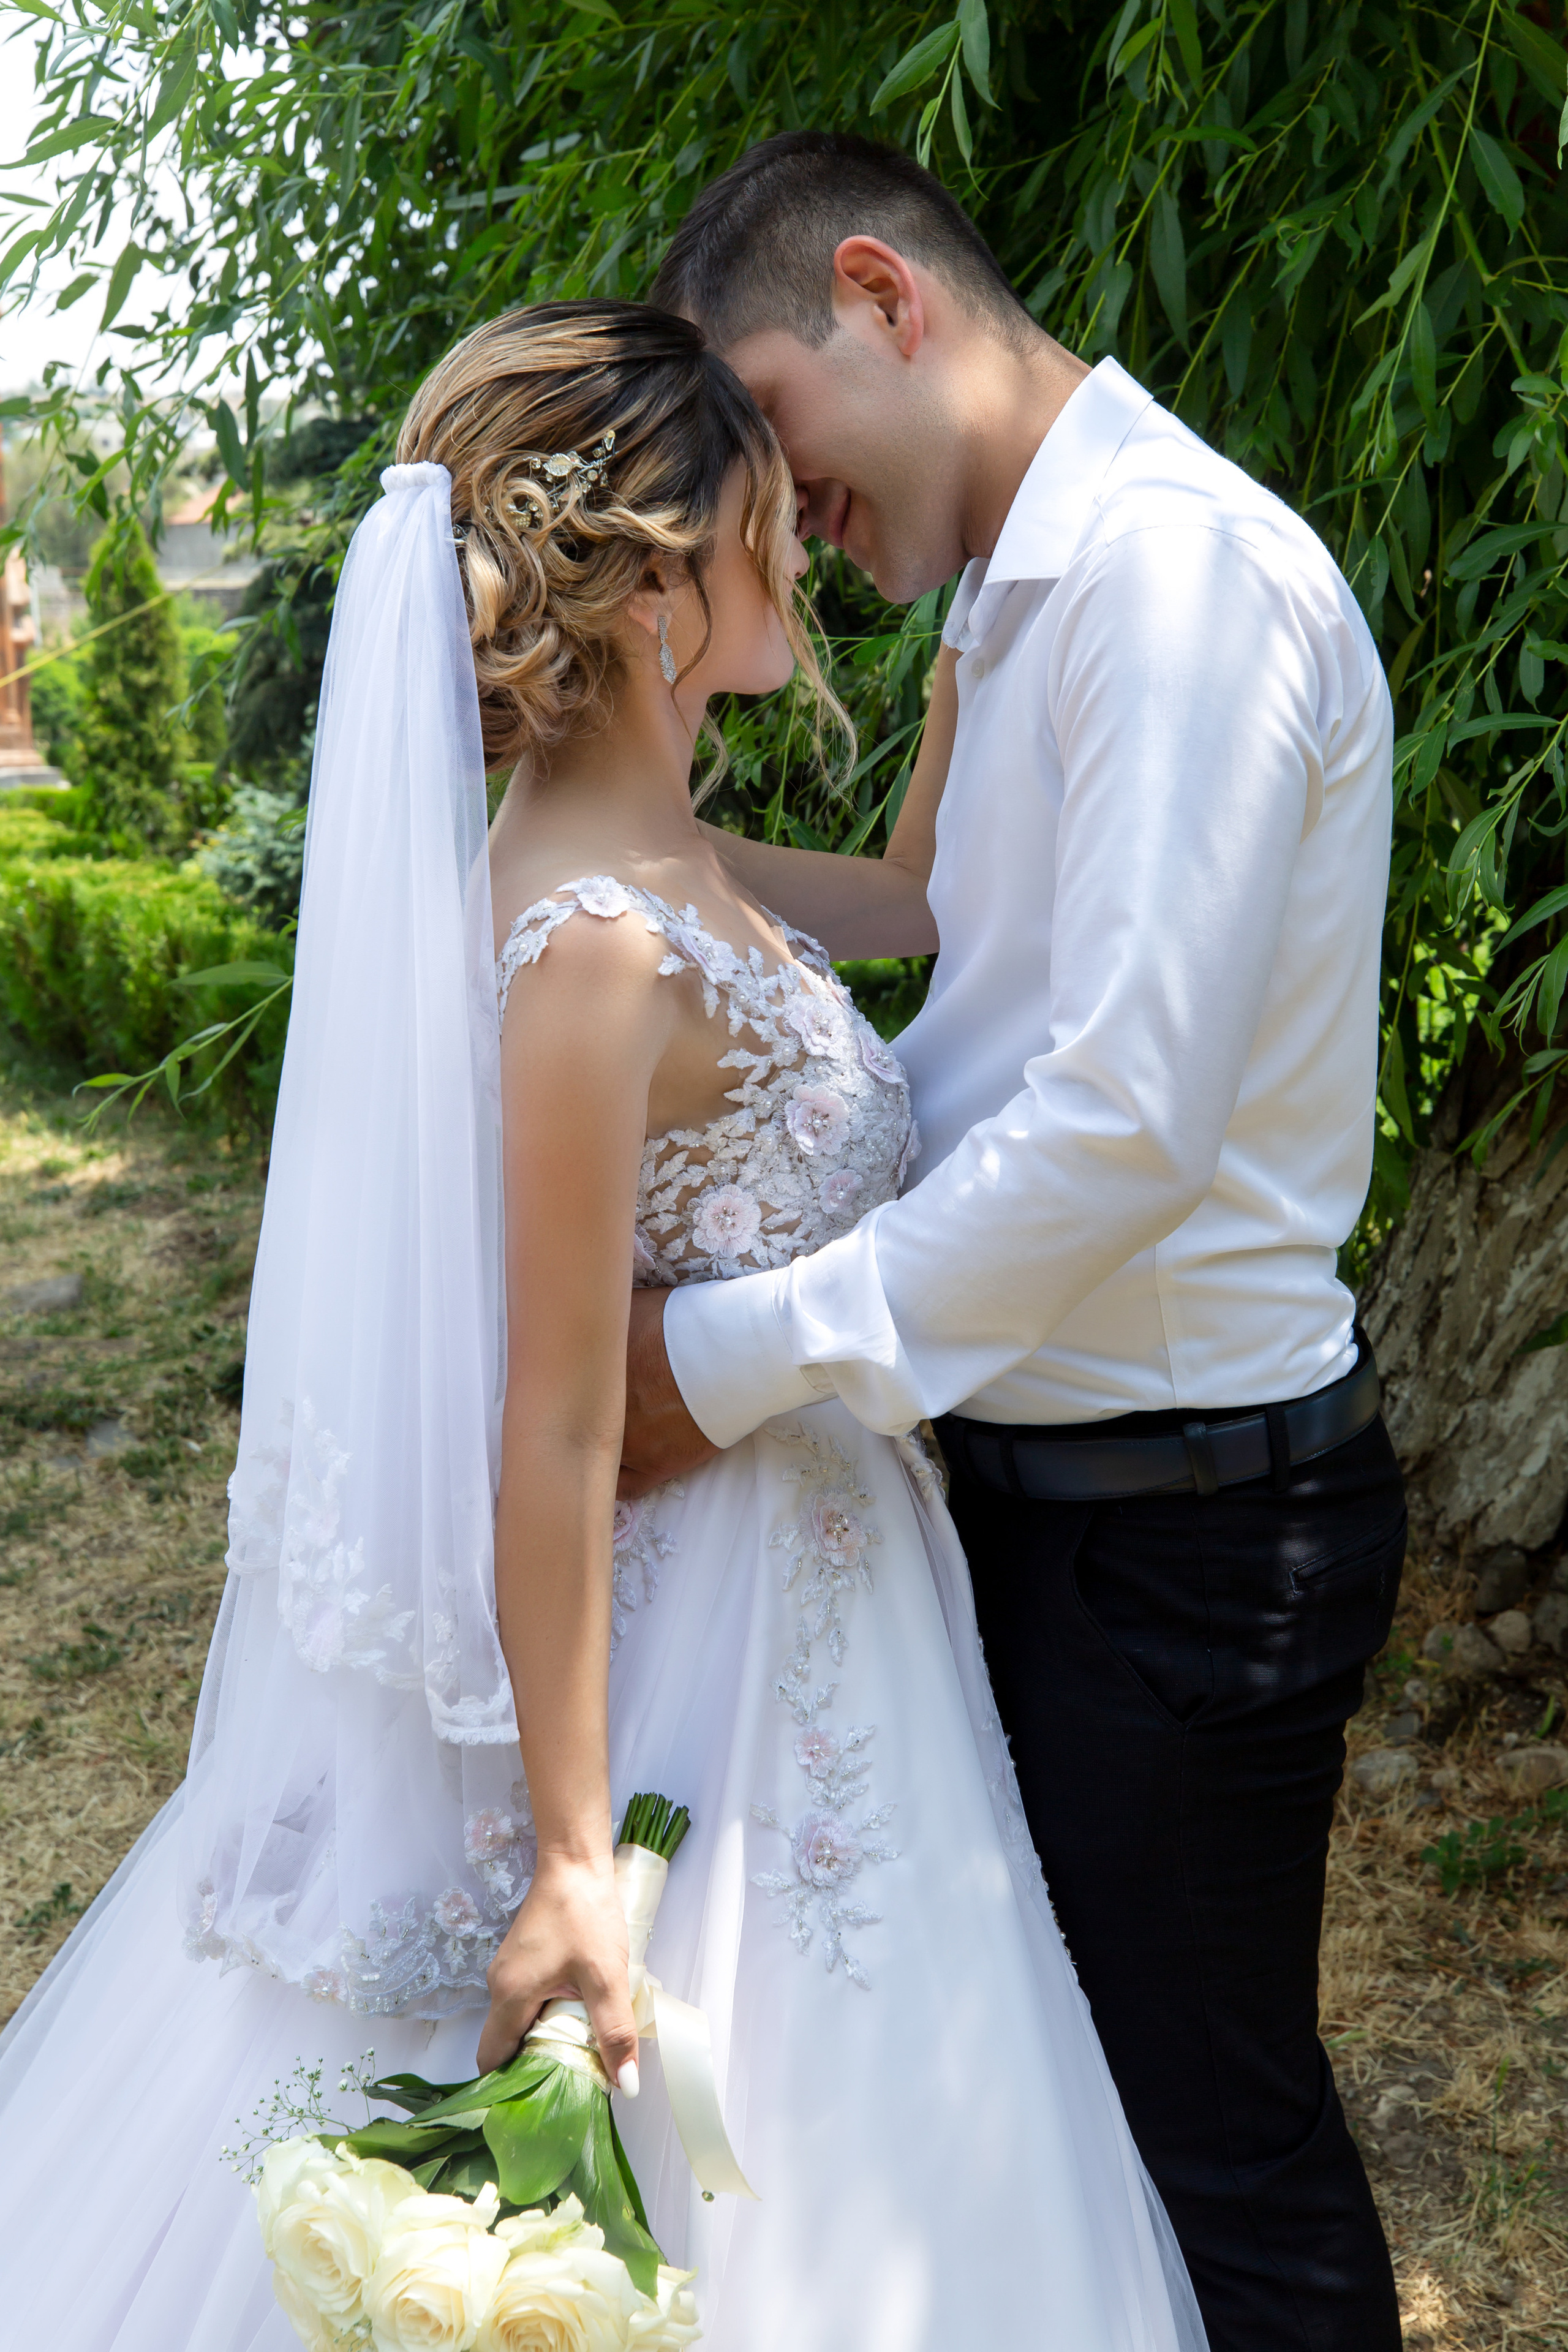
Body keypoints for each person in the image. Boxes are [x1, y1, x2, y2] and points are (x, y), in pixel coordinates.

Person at [0, 301, 1207, 2352]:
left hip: (832, 1586)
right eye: (768, 515)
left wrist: (993, 609)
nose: (802, 545)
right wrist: (572, 1858)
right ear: (659, 584)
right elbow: (551, 1425)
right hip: (697, 1639)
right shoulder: (592, 947)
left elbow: (920, 894)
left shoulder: (675, 862)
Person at [619, 134, 1406, 2352]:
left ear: (884, 294)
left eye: (769, 424)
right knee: (1087, 2154)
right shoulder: (1027, 589)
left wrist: (725, 1360)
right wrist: (600, 851)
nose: (772, 514)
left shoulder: (1176, 583)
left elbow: (1126, 1124)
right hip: (1058, 1498)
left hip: (1188, 1529)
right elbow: (947, 934)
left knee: (1210, 2156)